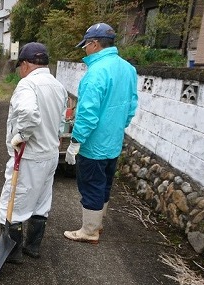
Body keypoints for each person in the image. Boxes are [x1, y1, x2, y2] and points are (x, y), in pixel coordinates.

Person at [63, 22, 138, 244]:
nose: (84, 49)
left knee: (91, 184)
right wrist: (118, 126)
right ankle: (98, 223)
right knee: (104, 183)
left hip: (93, 144)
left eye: (85, 45)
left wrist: (76, 141)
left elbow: (87, 114)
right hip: (113, 141)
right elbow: (132, 105)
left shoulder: (95, 73)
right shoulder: (128, 69)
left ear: (94, 44)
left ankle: (89, 231)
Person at [0, 42, 68, 264]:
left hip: (29, 157)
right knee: (41, 201)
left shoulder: (27, 85)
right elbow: (61, 120)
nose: (20, 70)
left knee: (13, 202)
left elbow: (28, 113)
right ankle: (33, 247)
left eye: (20, 65)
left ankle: (12, 252)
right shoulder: (58, 86)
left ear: (27, 64)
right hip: (50, 155)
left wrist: (21, 137)